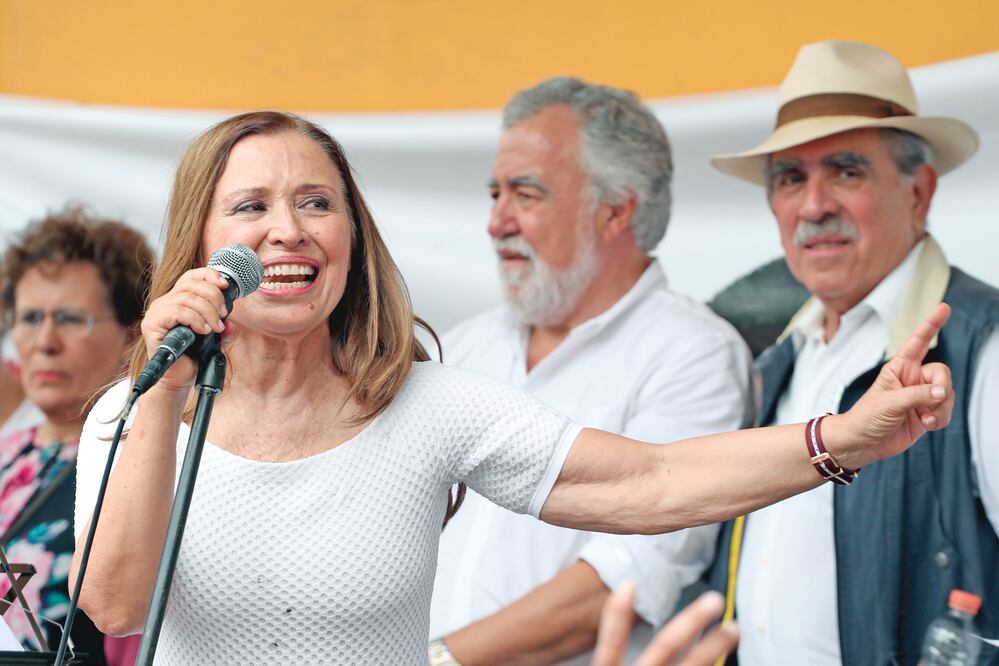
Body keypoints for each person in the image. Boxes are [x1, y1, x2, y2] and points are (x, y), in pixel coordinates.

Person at [70, 110, 953, 665]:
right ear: (200, 243)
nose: (288, 231)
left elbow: (650, 481)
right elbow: (112, 605)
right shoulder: (135, 410)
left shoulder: (423, 403)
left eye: (316, 202)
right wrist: (164, 390)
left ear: (352, 235)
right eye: (250, 207)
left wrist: (842, 439)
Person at [430, 77, 754, 665]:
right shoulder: (463, 347)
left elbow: (619, 584)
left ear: (615, 212)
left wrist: (438, 659)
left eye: (526, 194)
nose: (497, 222)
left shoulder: (694, 354)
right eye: (495, 194)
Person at [705, 40, 999, 665]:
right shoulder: (778, 360)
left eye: (846, 171)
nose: (814, 206)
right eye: (791, 178)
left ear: (919, 192)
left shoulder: (985, 345)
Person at [0, 207, 153, 662]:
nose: (45, 341)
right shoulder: (7, 451)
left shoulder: (146, 461)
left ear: (132, 335)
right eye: (30, 318)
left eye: (70, 318)